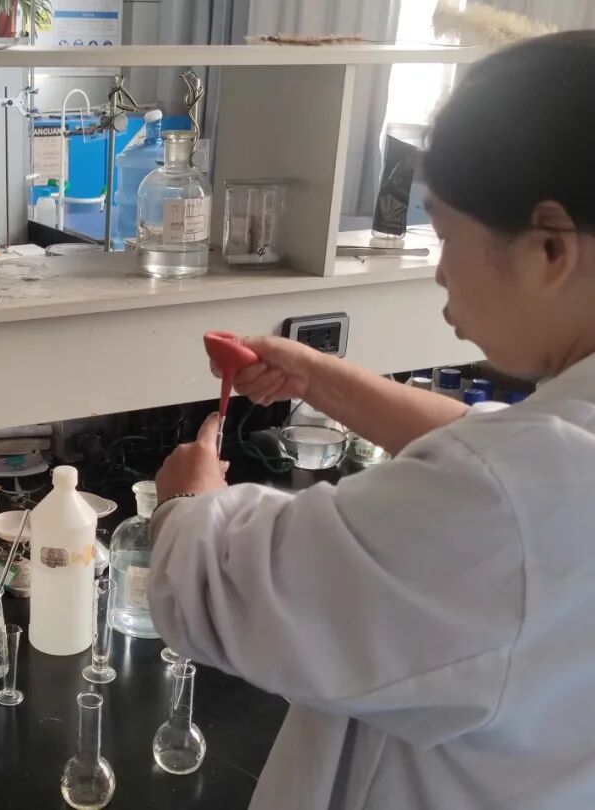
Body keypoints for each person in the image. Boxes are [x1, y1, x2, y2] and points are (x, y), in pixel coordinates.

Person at [147, 31, 595, 810]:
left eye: (446, 234)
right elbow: (503, 449)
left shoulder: (516, 500)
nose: (439, 270)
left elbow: (220, 589)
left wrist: (188, 504)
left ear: (550, 248)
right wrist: (319, 379)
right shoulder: (550, 461)